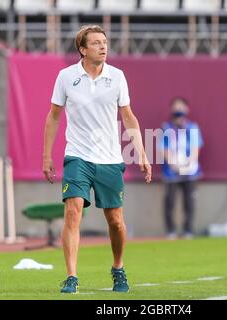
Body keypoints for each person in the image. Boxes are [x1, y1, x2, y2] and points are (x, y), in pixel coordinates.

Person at [43, 25, 151, 294]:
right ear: (82, 49)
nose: (103, 47)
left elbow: (128, 116)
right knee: (72, 211)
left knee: (115, 221)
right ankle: (71, 277)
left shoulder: (117, 76)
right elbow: (54, 116)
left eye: (105, 42)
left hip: (110, 159)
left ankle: (118, 267)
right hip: (77, 156)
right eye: (96, 43)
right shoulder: (66, 77)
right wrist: (46, 155)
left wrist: (141, 151)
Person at [160, 97, 204, 240]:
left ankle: (188, 230)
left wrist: (189, 163)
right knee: (170, 201)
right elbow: (163, 148)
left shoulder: (192, 127)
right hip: (171, 171)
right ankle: (171, 230)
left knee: (189, 202)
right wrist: (173, 164)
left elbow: (196, 147)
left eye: (181, 106)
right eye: (175, 106)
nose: (178, 110)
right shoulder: (166, 128)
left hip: (190, 171)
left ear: (186, 109)